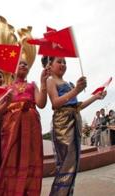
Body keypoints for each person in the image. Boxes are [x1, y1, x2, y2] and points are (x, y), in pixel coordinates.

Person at [44, 56, 106, 196]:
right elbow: (55, 103)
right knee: (66, 165)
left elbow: (78, 106)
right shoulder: (50, 81)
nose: (63, 64)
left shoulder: (71, 84)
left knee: (74, 165)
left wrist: (95, 96)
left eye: (65, 62)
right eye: (59, 61)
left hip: (75, 121)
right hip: (63, 124)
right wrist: (77, 90)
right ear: (50, 65)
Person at [0, 59, 50, 196]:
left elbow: (41, 103)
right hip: (10, 127)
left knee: (31, 157)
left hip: (31, 126)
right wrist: (7, 103)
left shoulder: (32, 85)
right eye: (20, 63)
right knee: (10, 157)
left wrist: (43, 82)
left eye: (26, 63)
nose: (24, 65)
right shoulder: (7, 88)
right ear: (13, 69)